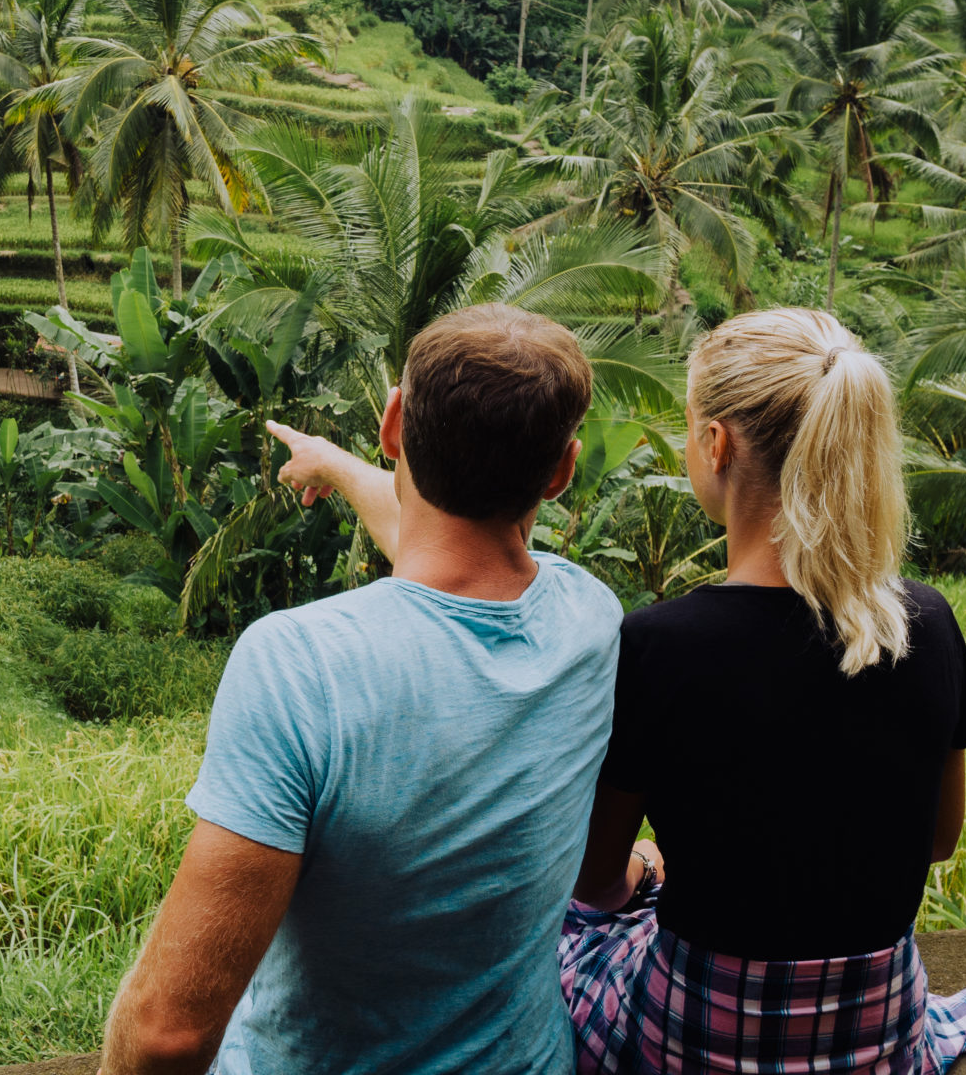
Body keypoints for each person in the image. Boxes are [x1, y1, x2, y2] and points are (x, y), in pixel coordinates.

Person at [98, 303, 627, 1075]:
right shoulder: (590, 620)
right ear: (562, 469)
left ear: (393, 425)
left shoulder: (298, 665)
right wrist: (337, 466)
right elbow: (454, 551)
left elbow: (167, 1035)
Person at [561, 307, 966, 1074]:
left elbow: (594, 879)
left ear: (716, 444)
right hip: (877, 1032)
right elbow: (938, 840)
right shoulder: (927, 624)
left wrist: (643, 868)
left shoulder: (656, 645)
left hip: (705, 1035)